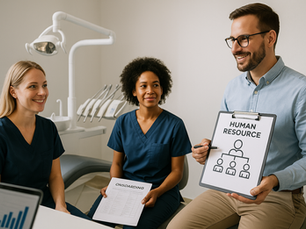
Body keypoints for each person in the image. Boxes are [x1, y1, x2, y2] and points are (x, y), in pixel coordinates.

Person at [167, 3, 306, 229]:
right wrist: (209, 149)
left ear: (270, 38)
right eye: (232, 40)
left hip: (276, 196)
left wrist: (274, 180)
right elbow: (228, 141)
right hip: (227, 191)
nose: (234, 49)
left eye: (244, 39)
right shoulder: (233, 88)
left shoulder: (301, 90)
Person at [87, 57, 192, 228]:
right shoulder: (123, 122)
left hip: (162, 191)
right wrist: (115, 186)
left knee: (134, 226)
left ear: (162, 88)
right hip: (127, 187)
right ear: (134, 91)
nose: (150, 90)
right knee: (94, 223)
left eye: (155, 85)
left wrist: (157, 191)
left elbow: (177, 172)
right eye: (143, 86)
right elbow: (117, 163)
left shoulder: (175, 124)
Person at [0, 61, 89, 220]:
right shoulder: (2, 132)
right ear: (13, 92)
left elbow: (55, 176)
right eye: (32, 86)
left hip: (46, 202)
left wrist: (60, 206)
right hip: (12, 211)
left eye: (45, 85)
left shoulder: (48, 128)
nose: (42, 92)